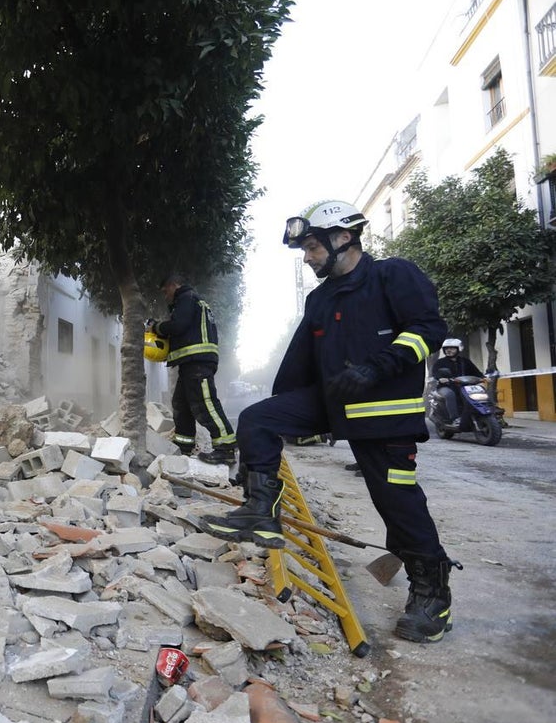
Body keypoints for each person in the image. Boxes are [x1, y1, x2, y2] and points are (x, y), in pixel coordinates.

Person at [200, 199, 461, 644]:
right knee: (258, 419)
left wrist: (377, 367)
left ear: (343, 238)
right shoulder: (319, 298)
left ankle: (433, 595)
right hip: (334, 403)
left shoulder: (392, 275)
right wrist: (287, 407)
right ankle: (261, 511)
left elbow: (428, 329)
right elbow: (302, 359)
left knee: (398, 506)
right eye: (305, 249)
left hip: (385, 418)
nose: (307, 257)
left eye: (312, 247)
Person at [151, 271, 237, 464]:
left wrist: (157, 327)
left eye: (165, 292)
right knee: (181, 405)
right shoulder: (195, 302)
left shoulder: (186, 298)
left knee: (204, 403)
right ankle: (184, 447)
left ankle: (226, 448)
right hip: (191, 363)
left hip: (197, 362)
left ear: (174, 285)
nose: (166, 296)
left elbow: (178, 326)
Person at [431, 338, 482, 426]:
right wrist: (440, 378)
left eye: (452, 348)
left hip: (464, 386)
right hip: (446, 386)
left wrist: (484, 378)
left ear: (459, 349)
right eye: (446, 348)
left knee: (478, 392)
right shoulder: (440, 362)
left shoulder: (465, 361)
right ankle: (455, 418)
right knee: (449, 394)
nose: (448, 350)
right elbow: (435, 373)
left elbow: (476, 372)